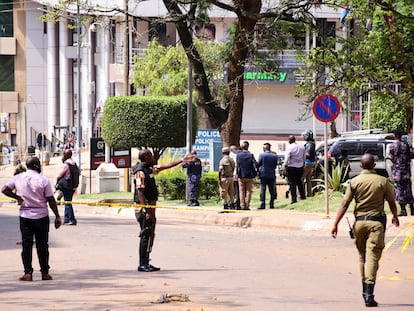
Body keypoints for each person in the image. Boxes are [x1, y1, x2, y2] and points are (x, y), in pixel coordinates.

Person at [331, 153, 399, 307]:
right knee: (373, 257)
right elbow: (392, 202)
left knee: (362, 257)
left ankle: (364, 291)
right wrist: (395, 216)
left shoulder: (354, 182)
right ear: (374, 165)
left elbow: (344, 204)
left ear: (361, 166)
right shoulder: (382, 181)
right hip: (376, 224)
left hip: (359, 224)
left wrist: (335, 223)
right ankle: (369, 294)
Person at [132, 150, 195, 272]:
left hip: (151, 208)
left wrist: (182, 160)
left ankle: (147, 261)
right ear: (145, 157)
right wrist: (147, 211)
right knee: (145, 234)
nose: (153, 157)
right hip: (144, 209)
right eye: (150, 155)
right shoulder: (140, 172)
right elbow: (140, 191)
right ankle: (142, 264)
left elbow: (165, 166)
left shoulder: (149, 168)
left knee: (150, 235)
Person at [1, 156, 62, 281]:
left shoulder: (18, 178)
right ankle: (45, 272)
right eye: (39, 164)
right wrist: (57, 216)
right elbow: (50, 199)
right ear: (36, 166)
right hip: (41, 216)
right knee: (42, 246)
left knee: (27, 245)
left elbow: (4, 189)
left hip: (25, 217)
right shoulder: (43, 180)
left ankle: (28, 273)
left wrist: (17, 197)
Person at [388, 130, 414, 216]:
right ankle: (412, 209)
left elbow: (390, 157)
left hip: (397, 172)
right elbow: (412, 155)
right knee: (408, 190)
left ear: (395, 136)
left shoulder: (392, 146)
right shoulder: (407, 145)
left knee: (399, 190)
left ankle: (403, 210)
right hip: (406, 171)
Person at [56, 149, 78, 225]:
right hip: (73, 186)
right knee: (67, 202)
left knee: (67, 203)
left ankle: (72, 220)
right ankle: (66, 219)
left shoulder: (66, 164)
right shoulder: (74, 163)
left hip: (67, 186)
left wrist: (57, 182)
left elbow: (59, 175)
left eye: (64, 154)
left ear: (66, 155)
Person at [284, 135, 306, 204]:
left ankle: (294, 198)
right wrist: (303, 164)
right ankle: (302, 196)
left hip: (291, 167)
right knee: (299, 182)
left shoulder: (290, 148)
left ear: (290, 140)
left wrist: (285, 166)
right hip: (300, 167)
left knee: (292, 183)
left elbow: (287, 158)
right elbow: (304, 157)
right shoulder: (302, 147)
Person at [236, 141, 257, 210]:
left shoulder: (238, 155)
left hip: (241, 175)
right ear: (248, 147)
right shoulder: (250, 155)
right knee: (248, 191)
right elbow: (255, 164)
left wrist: (237, 173)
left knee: (241, 191)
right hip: (249, 175)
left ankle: (242, 205)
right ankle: (247, 205)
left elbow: (237, 165)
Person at [257, 143, 278, 209]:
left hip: (263, 174)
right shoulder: (274, 156)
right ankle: (271, 204)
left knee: (263, 189)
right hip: (271, 174)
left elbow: (259, 164)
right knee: (272, 189)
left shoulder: (262, 155)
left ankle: (262, 204)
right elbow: (275, 165)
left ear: (264, 148)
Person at [301, 130, 316, 197]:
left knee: (301, 178)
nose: (303, 137)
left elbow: (308, 153)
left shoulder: (310, 144)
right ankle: (309, 194)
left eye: (305, 136)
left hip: (308, 163)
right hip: (311, 162)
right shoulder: (311, 143)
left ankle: (301, 194)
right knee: (308, 179)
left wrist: (301, 154)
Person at [230, 145, 241, 209]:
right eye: (234, 149)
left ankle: (237, 203)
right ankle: (231, 203)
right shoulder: (230, 156)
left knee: (237, 190)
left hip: (236, 175)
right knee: (232, 190)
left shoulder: (237, 155)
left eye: (236, 149)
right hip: (232, 175)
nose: (236, 150)